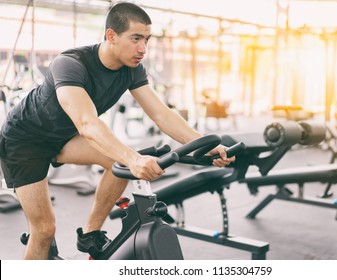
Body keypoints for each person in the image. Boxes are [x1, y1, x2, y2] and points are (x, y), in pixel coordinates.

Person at [0, 2, 234, 260]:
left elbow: (162, 114)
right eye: (135, 39)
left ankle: (90, 233)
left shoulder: (132, 70)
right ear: (111, 35)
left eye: (146, 39)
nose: (143, 49)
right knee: (44, 230)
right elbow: (87, 123)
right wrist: (134, 159)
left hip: (63, 137)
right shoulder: (70, 63)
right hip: (25, 141)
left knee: (118, 163)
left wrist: (205, 144)